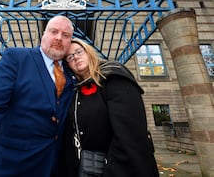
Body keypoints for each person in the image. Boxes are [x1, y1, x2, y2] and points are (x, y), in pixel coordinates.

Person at [0, 15, 76, 177]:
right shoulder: (17, 58)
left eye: (66, 35)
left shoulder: (73, 73)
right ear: (44, 34)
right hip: (11, 167)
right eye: (54, 31)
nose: (58, 38)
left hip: (54, 168)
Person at [58, 38, 159, 177]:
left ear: (88, 52)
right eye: (70, 57)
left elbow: (129, 136)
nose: (75, 57)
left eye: (78, 52)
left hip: (120, 167)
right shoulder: (75, 91)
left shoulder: (114, 77)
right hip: (89, 167)